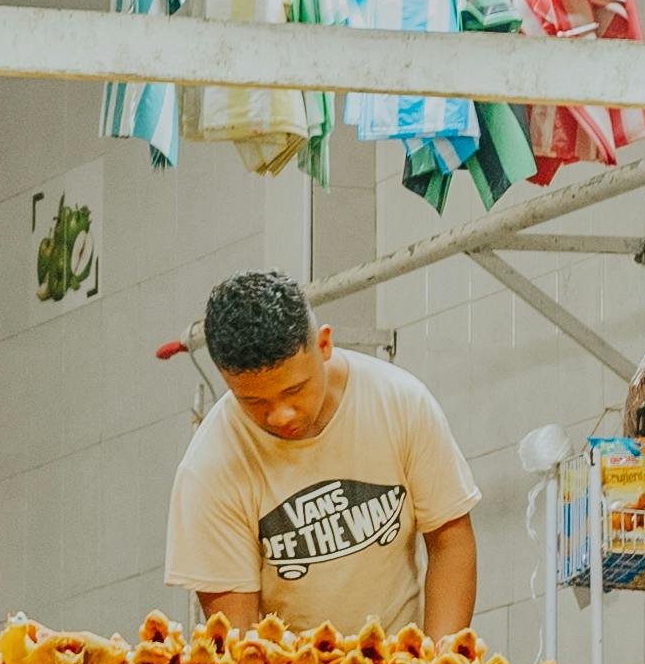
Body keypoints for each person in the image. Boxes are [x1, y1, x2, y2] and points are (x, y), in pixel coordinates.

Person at [167, 269, 479, 637]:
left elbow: (449, 541)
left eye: (296, 389)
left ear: (324, 345)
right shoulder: (209, 468)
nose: (281, 415)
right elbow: (240, 635)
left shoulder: (399, 402)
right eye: (254, 401)